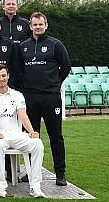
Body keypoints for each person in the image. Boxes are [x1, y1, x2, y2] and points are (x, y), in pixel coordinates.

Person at [18, 12, 71, 186]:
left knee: (55, 136)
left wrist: (54, 84)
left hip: (50, 97)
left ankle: (60, 174)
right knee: (32, 137)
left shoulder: (55, 44)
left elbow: (66, 67)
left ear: (46, 25)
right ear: (30, 26)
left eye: (41, 24)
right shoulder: (23, 46)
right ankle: (32, 171)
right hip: (30, 98)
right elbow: (20, 70)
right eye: (35, 24)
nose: (38, 27)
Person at [0, 64, 45, 198]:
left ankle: (35, 186)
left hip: (16, 134)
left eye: (3, 76)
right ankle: (0, 187)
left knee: (37, 143)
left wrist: (32, 131)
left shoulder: (17, 95)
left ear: (8, 76)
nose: (1, 79)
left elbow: (23, 115)